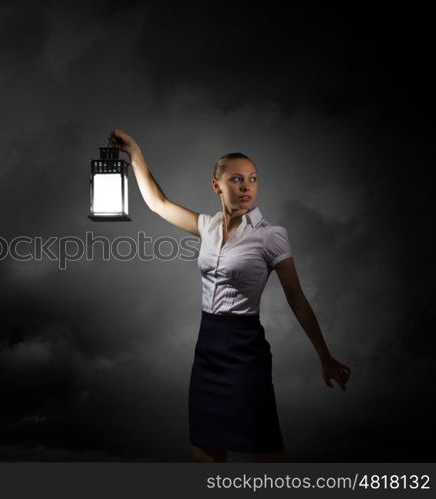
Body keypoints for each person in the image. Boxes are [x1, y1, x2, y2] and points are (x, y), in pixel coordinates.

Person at [107, 129, 351, 463]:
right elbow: (158, 203)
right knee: (205, 450)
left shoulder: (271, 237)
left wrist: (324, 356)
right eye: (236, 179)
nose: (247, 186)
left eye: (252, 179)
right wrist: (134, 152)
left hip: (244, 348)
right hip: (208, 346)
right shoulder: (206, 227)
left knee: (266, 452)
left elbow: (296, 297)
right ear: (216, 186)